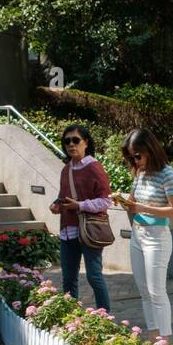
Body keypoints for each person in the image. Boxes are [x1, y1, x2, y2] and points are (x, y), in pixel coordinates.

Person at [113, 128, 173, 344]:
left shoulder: (167, 173)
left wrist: (140, 207)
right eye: (130, 156)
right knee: (144, 291)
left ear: (150, 150)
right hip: (138, 234)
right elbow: (133, 204)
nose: (134, 160)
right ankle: (154, 337)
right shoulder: (139, 173)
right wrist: (123, 202)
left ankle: (165, 343)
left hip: (157, 237)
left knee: (156, 292)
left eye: (137, 155)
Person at [49, 125, 112, 311]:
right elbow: (63, 195)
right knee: (68, 278)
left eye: (75, 140)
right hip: (68, 230)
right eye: (67, 141)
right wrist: (57, 205)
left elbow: (106, 201)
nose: (71, 144)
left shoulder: (94, 167)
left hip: (89, 230)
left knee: (94, 275)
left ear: (86, 142)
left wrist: (80, 205)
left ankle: (104, 314)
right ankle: (72, 317)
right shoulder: (65, 169)